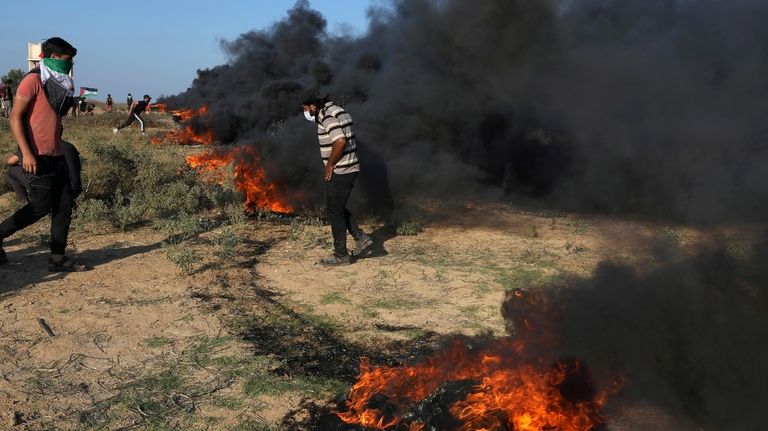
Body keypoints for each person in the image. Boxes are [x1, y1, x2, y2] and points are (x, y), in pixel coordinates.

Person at [0, 37, 89, 271]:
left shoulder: (58, 83)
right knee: (40, 206)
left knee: (64, 205)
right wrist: (26, 154)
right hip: (36, 155)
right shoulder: (33, 80)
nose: (69, 66)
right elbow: (15, 117)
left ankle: (57, 258)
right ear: (51, 58)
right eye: (66, 61)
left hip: (56, 153)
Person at [300, 90, 373, 266]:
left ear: (313, 106)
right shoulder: (340, 111)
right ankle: (361, 238)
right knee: (336, 207)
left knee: (334, 211)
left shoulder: (326, 116)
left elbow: (340, 141)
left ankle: (342, 255)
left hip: (341, 170)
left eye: (305, 109)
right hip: (349, 167)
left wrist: (330, 164)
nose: (306, 113)